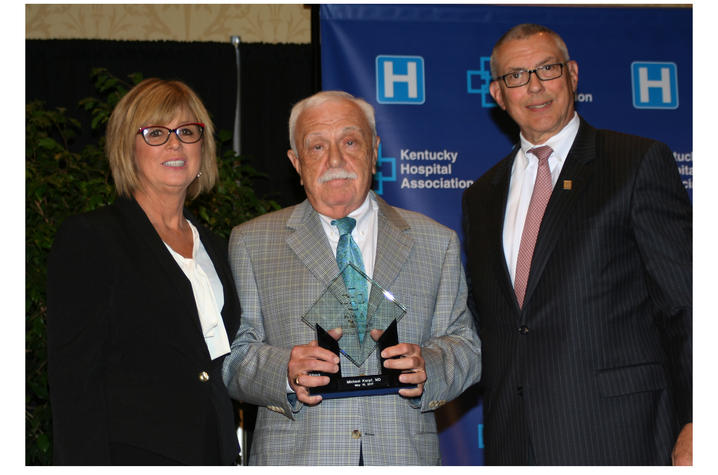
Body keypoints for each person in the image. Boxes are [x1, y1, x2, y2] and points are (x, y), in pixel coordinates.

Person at [461, 23, 692, 465]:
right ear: (497, 94)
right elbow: (490, 319)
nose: (534, 86)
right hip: (515, 440)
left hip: (620, 435)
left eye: (546, 69)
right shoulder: (481, 195)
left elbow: (688, 304)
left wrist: (699, 420)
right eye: (516, 76)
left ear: (572, 74)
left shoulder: (635, 163)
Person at [222, 90, 481, 465]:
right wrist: (285, 371)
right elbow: (233, 358)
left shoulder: (435, 241)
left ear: (374, 149)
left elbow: (466, 348)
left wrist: (430, 366)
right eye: (317, 147)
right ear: (295, 161)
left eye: (349, 141)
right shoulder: (252, 242)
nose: (336, 159)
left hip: (402, 456)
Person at [46, 78, 241, 465]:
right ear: (127, 148)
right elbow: (74, 385)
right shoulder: (92, 238)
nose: (175, 143)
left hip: (214, 453)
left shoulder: (217, 248)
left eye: (187, 131)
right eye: (156, 132)